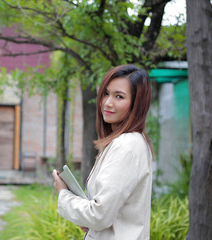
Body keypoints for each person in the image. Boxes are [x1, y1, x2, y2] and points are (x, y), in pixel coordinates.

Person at [52, 64, 153, 240]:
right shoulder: (128, 142)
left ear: (136, 104)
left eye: (119, 96)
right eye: (105, 93)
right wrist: (87, 218)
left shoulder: (126, 146)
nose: (107, 103)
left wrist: (63, 194)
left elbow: (99, 216)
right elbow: (107, 212)